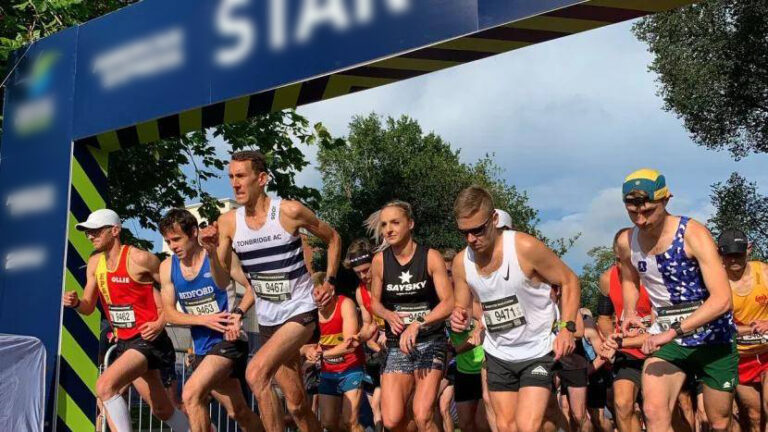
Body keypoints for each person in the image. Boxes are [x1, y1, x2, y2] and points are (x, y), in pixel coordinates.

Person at [216, 151, 340, 432]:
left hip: (299, 311)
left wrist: (330, 280)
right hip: (268, 320)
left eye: (241, 176)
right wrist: (213, 251)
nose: (235, 183)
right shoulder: (228, 222)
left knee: (256, 373)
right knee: (296, 405)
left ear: (261, 179)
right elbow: (223, 279)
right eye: (231, 177)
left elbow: (333, 238)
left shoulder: (289, 211)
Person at [450, 185, 580, 432]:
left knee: (527, 426)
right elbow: (461, 305)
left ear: (494, 219)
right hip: (499, 353)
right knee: (507, 427)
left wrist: (567, 328)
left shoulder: (524, 248)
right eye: (464, 232)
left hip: (536, 349)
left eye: (477, 230)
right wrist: (459, 315)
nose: (471, 239)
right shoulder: (460, 263)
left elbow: (569, 280)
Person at [617, 169, 738, 432]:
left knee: (718, 423)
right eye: (633, 212)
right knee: (653, 412)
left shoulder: (692, 233)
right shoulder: (626, 241)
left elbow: (722, 300)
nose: (641, 219)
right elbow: (629, 279)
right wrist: (630, 312)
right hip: (668, 341)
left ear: (666, 200)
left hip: (712, 338)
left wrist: (673, 331)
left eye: (648, 211)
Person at [62, 209, 189, 432]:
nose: (90, 236)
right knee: (162, 410)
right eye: (88, 232)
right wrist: (75, 303)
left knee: (105, 386)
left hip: (149, 340)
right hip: (125, 342)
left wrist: (160, 322)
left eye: (96, 231)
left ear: (115, 230)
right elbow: (88, 307)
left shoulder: (140, 259)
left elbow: (175, 288)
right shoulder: (95, 263)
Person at [157, 208, 263, 432]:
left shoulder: (219, 255)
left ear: (193, 233)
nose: (173, 246)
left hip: (230, 340)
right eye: (168, 241)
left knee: (191, 395)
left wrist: (238, 314)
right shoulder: (167, 267)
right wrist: (204, 320)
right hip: (202, 348)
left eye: (177, 239)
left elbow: (253, 287)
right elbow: (169, 313)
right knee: (238, 412)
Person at [368, 200, 455, 432]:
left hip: (430, 341)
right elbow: (374, 302)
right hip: (397, 345)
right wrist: (387, 314)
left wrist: (418, 324)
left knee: (422, 415)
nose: (389, 229)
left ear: (410, 224)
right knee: (392, 420)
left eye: (395, 222)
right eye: (384, 224)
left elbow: (448, 303)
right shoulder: (380, 261)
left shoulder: (430, 257)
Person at [596, 227, 652, 432]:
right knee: (622, 404)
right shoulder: (607, 278)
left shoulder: (654, 275)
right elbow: (603, 318)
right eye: (621, 259)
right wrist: (611, 339)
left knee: (667, 409)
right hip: (628, 352)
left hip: (658, 348)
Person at [718, 229, 768, 432]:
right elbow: (716, 327)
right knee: (754, 415)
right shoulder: (716, 282)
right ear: (719, 254)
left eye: (738, 254)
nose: (733, 260)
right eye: (728, 255)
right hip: (740, 357)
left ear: (748, 249)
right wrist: (748, 330)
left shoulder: (763, 272)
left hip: (766, 351)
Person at [346, 238, 387, 432]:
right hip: (380, 351)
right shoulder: (360, 292)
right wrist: (358, 338)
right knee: (377, 406)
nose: (363, 276)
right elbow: (369, 325)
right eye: (358, 273)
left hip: (401, 343)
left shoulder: (388, 282)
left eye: (366, 270)